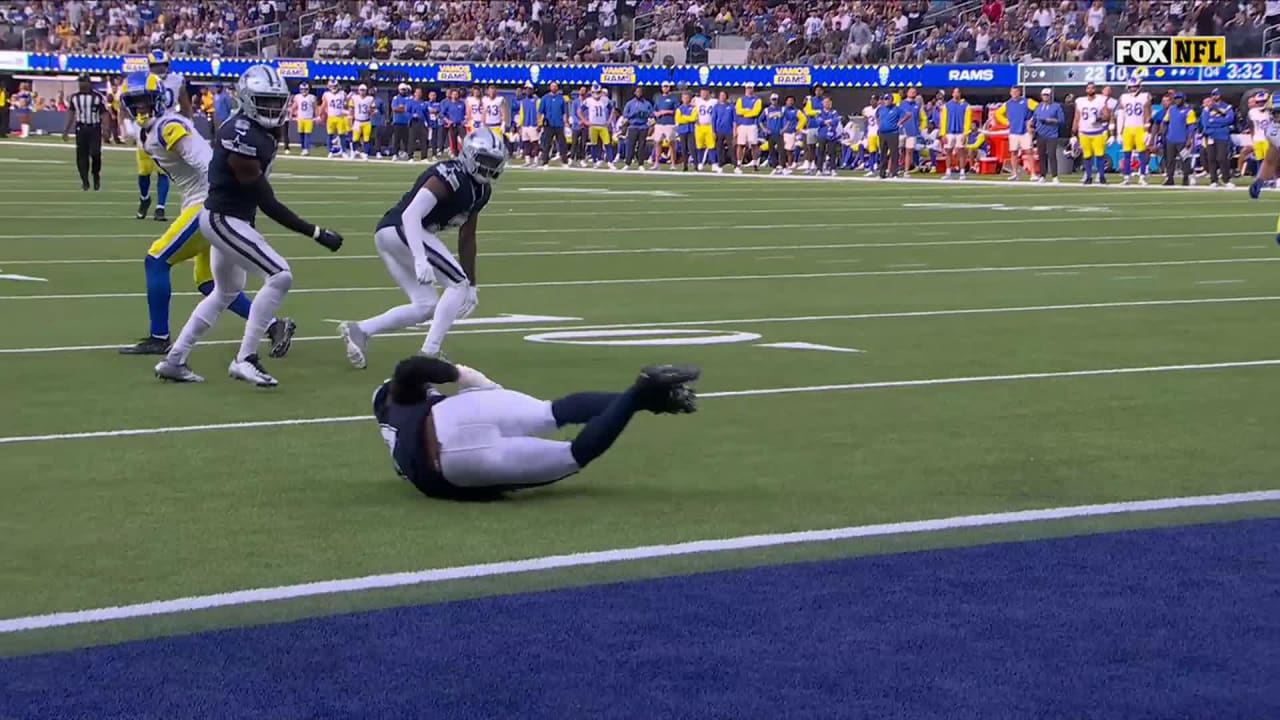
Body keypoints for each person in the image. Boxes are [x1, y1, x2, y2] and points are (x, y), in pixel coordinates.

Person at [156, 65, 344, 387]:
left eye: (276, 101)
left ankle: (175, 360)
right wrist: (314, 232)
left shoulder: (257, 130)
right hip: (222, 219)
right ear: (246, 100)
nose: (272, 109)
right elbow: (266, 200)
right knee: (280, 275)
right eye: (264, 101)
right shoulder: (241, 134)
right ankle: (245, 358)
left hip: (229, 218)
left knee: (225, 293)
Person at [114, 71, 294, 357]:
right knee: (210, 282)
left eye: (145, 102)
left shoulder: (169, 126)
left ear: (159, 100)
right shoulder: (151, 128)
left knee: (157, 260)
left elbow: (207, 162)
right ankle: (273, 326)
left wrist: (223, 206)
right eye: (134, 104)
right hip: (202, 203)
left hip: (207, 204)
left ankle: (159, 337)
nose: (140, 109)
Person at [373, 356, 698, 501]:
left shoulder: (398, 453)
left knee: (573, 455)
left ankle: (644, 393)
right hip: (452, 415)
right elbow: (409, 369)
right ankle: (649, 397)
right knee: (551, 412)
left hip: (448, 464)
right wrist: (465, 376)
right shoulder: (400, 399)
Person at [339, 129, 504, 368]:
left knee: (425, 305)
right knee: (456, 283)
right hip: (402, 229)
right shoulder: (450, 175)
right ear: (469, 155)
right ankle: (429, 353)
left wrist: (474, 284)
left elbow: (467, 237)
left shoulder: (481, 190)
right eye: (485, 161)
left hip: (393, 234)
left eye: (494, 163)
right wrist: (419, 258)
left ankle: (361, 330)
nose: (489, 168)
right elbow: (411, 214)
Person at [63, 74, 107, 191]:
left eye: (83, 82)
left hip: (94, 128)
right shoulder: (74, 97)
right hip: (81, 128)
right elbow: (71, 113)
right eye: (80, 82)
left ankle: (96, 175)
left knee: (95, 153)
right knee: (81, 156)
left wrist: (106, 129)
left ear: (89, 83)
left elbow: (104, 113)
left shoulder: (97, 97)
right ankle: (84, 180)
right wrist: (66, 130)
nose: (81, 84)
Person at [1073, 81, 1109, 185]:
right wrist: (1073, 132)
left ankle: (1101, 176)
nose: (1090, 90)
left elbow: (1107, 115)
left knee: (1100, 155)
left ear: (1095, 89)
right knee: (1087, 156)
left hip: (1097, 132)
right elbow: (1077, 117)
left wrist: (1099, 119)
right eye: (1088, 88)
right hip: (1084, 132)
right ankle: (1088, 176)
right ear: (1086, 89)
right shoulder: (1080, 101)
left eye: (1092, 88)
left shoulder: (1100, 100)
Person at [1117, 78, 1151, 185]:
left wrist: (1147, 130)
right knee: (1127, 154)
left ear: (1139, 86)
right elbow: (1121, 115)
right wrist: (1119, 132)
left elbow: (1147, 114)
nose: (1133, 89)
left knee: (1142, 154)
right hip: (1127, 128)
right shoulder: (1123, 97)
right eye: (1131, 87)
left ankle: (1142, 176)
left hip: (1140, 127)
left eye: (1135, 86)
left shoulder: (1145, 96)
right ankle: (1126, 177)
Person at [1199, 88, 1234, 187]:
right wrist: (1219, 122)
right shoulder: (1207, 109)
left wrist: (1213, 121)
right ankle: (1213, 180)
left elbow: (1229, 119)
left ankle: (1226, 180)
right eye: (1213, 95)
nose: (1215, 97)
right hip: (1210, 136)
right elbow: (1205, 123)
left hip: (1222, 135)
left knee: (1222, 158)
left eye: (1217, 94)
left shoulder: (1226, 107)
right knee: (1211, 158)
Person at [1162, 91, 1197, 186]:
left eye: (1179, 98)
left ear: (1183, 99)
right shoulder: (1171, 109)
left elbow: (1191, 127)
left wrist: (1189, 139)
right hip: (1171, 138)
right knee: (1170, 160)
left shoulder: (1189, 111)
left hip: (1182, 139)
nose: (1177, 100)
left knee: (1184, 160)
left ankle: (1186, 178)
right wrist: (1163, 134)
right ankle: (1170, 178)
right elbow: (1165, 122)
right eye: (1176, 99)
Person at [1031, 87, 1064, 184]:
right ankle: (1043, 175)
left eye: (1047, 95)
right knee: (1041, 155)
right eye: (1044, 95)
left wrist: (1051, 120)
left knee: (1051, 155)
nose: (1046, 97)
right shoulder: (1038, 107)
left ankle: (1054, 176)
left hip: (1052, 134)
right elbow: (1034, 120)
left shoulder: (1056, 106)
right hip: (1040, 134)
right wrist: (1031, 127)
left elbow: (1061, 121)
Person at [1001, 86, 1034, 180]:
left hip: (1025, 131)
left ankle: (1033, 173)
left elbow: (1038, 109)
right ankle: (1015, 174)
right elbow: (997, 114)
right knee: (1013, 152)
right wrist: (1006, 122)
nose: (1014, 93)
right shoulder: (1007, 104)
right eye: (1013, 91)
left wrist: (1031, 122)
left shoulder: (1027, 101)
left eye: (1016, 91)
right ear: (1010, 93)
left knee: (1029, 151)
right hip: (1013, 131)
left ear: (1019, 92)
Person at [940, 87, 970, 179]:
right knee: (948, 151)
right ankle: (948, 172)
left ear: (960, 94)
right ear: (952, 94)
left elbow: (967, 120)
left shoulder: (966, 105)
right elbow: (943, 120)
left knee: (961, 152)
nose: (956, 94)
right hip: (949, 132)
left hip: (961, 132)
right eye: (955, 92)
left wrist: (965, 133)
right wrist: (943, 134)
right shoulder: (947, 106)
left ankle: (962, 172)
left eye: (958, 92)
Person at [537, 80, 569, 166]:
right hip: (549, 124)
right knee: (547, 144)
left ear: (557, 88)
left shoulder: (561, 98)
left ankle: (565, 161)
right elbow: (540, 112)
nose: (554, 87)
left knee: (562, 144)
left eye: (555, 86)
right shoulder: (545, 98)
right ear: (550, 87)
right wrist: (539, 123)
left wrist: (566, 122)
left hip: (559, 124)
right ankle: (545, 161)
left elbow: (564, 112)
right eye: (552, 86)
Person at [733, 82, 763, 173]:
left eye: (751, 88)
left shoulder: (757, 99)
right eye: (748, 88)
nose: (749, 90)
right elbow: (738, 111)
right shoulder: (740, 99)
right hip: (742, 125)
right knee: (740, 145)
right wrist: (748, 112)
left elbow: (756, 112)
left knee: (754, 145)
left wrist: (745, 112)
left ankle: (755, 163)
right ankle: (738, 164)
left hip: (752, 125)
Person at [621, 86, 652, 170]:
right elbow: (625, 115)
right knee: (630, 145)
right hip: (633, 127)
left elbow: (651, 114)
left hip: (643, 127)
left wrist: (644, 114)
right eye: (637, 92)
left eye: (640, 92)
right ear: (634, 93)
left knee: (641, 146)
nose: (639, 93)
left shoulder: (647, 103)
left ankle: (640, 164)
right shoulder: (630, 103)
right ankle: (628, 163)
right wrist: (633, 113)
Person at [651, 81, 678, 168]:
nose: (665, 88)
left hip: (669, 123)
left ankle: (673, 163)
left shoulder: (673, 98)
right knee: (658, 142)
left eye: (666, 86)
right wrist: (656, 113)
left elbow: (676, 110)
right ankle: (656, 163)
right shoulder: (658, 98)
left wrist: (665, 112)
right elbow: (654, 110)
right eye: (663, 87)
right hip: (659, 123)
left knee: (671, 143)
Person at [876, 93, 903, 179]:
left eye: (888, 99)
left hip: (893, 133)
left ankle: (894, 172)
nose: (886, 101)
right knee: (883, 154)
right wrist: (879, 125)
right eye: (885, 99)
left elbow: (907, 114)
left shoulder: (896, 109)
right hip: (882, 133)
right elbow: (877, 117)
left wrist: (900, 123)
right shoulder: (880, 109)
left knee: (894, 153)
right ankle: (882, 173)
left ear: (892, 100)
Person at [320, 79, 350, 157]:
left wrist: (347, 112)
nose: (333, 88)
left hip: (340, 117)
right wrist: (321, 115)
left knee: (342, 135)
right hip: (331, 117)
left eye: (335, 86)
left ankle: (343, 151)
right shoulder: (326, 94)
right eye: (332, 86)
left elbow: (347, 105)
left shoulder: (342, 93)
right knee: (330, 135)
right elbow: (323, 106)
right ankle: (330, 151)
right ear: (329, 86)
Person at [287, 82, 314, 154]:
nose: (304, 91)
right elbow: (294, 106)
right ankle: (303, 148)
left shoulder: (312, 97)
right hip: (300, 118)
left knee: (307, 134)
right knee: (301, 134)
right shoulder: (297, 97)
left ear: (308, 89)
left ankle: (306, 148)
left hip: (308, 117)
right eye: (302, 89)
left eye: (305, 89)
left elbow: (315, 107)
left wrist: (317, 116)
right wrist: (291, 114)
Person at [675, 91, 697, 171]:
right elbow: (678, 119)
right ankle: (685, 165)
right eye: (684, 98)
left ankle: (696, 165)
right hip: (682, 130)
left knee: (692, 148)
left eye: (687, 98)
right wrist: (688, 118)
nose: (686, 99)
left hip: (691, 130)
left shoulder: (693, 108)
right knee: (683, 149)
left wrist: (684, 117)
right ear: (682, 99)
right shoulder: (679, 109)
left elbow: (693, 118)